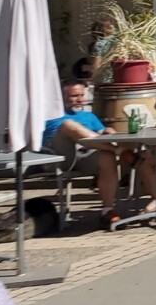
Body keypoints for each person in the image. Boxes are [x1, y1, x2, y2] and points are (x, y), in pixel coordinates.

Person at [43, 81, 128, 225]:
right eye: (74, 96)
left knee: (107, 155)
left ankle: (107, 211)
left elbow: (102, 132)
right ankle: (120, 151)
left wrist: (109, 132)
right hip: (59, 158)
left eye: (82, 95)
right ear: (61, 96)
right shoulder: (51, 114)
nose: (80, 100)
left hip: (84, 157)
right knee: (68, 125)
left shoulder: (89, 116)